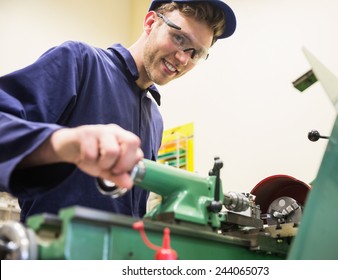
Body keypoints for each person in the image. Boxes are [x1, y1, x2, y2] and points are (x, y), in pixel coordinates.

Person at [0, 0, 236, 223]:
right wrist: (63, 142)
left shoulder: (154, 118)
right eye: (178, 37)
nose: (183, 58)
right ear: (151, 22)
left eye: (196, 52)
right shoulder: (80, 62)